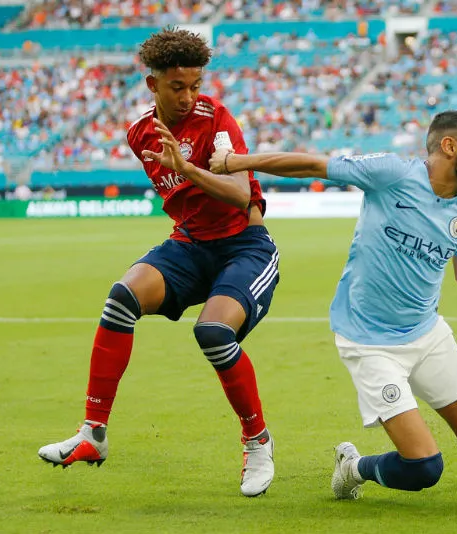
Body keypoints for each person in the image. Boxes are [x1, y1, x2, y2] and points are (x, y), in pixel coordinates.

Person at [208, 110, 457, 500]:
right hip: (369, 342)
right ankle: (353, 467)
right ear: (450, 146)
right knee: (423, 468)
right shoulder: (393, 174)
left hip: (428, 335)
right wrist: (235, 162)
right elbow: (313, 165)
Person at [37, 28, 278, 498]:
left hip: (245, 245)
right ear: (153, 86)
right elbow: (185, 210)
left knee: (212, 332)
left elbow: (239, 193)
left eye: (195, 84)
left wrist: (189, 168)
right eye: (177, 87)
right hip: (190, 244)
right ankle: (93, 435)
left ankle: (258, 442)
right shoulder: (138, 133)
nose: (189, 96)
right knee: (121, 298)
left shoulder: (217, 119)